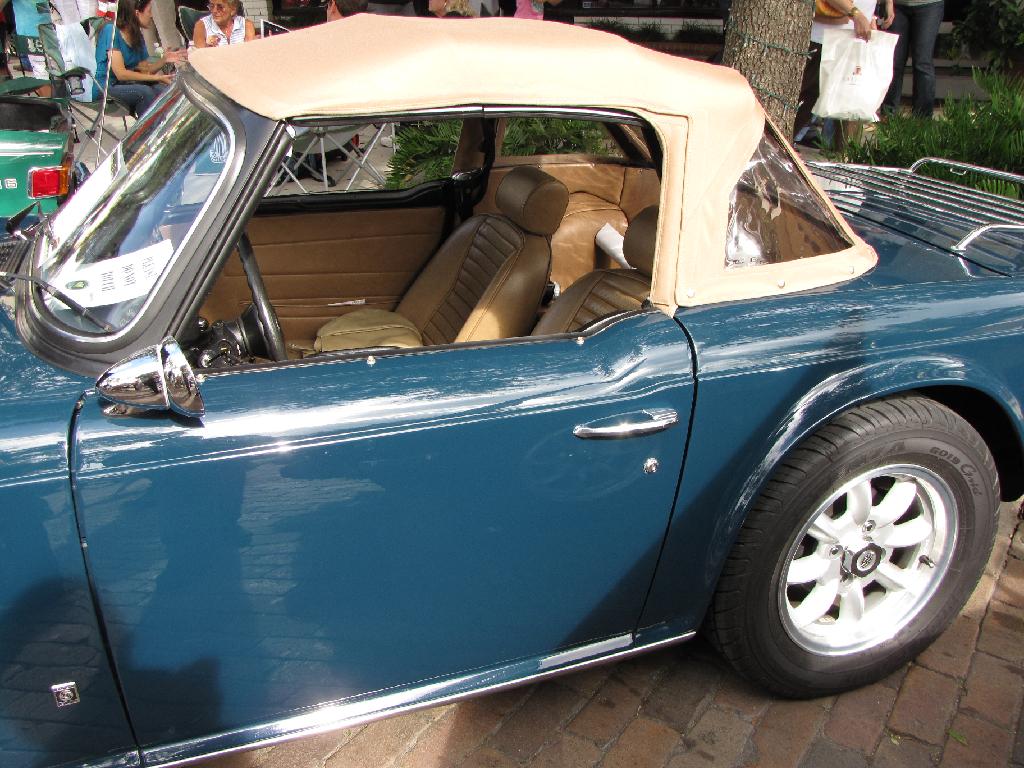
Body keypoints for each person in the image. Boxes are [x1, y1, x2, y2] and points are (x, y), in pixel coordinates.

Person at [795, 0, 893, 143]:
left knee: (851, 108)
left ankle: (842, 154)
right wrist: (857, 14)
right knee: (806, 101)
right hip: (825, 36)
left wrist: (869, 16)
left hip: (853, 36)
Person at [94, 0, 184, 116]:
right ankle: (150, 126)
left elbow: (144, 69)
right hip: (106, 87)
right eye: (149, 11)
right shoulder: (111, 31)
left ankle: (167, 124)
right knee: (145, 92)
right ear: (137, 13)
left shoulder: (137, 35)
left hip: (127, 84)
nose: (152, 15)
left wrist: (164, 59)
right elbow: (121, 74)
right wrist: (156, 78)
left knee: (165, 91)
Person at [882, 0, 943, 117]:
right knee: (894, 61)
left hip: (929, 5)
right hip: (896, 6)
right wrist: (888, 3)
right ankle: (888, 115)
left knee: (922, 62)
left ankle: (922, 119)